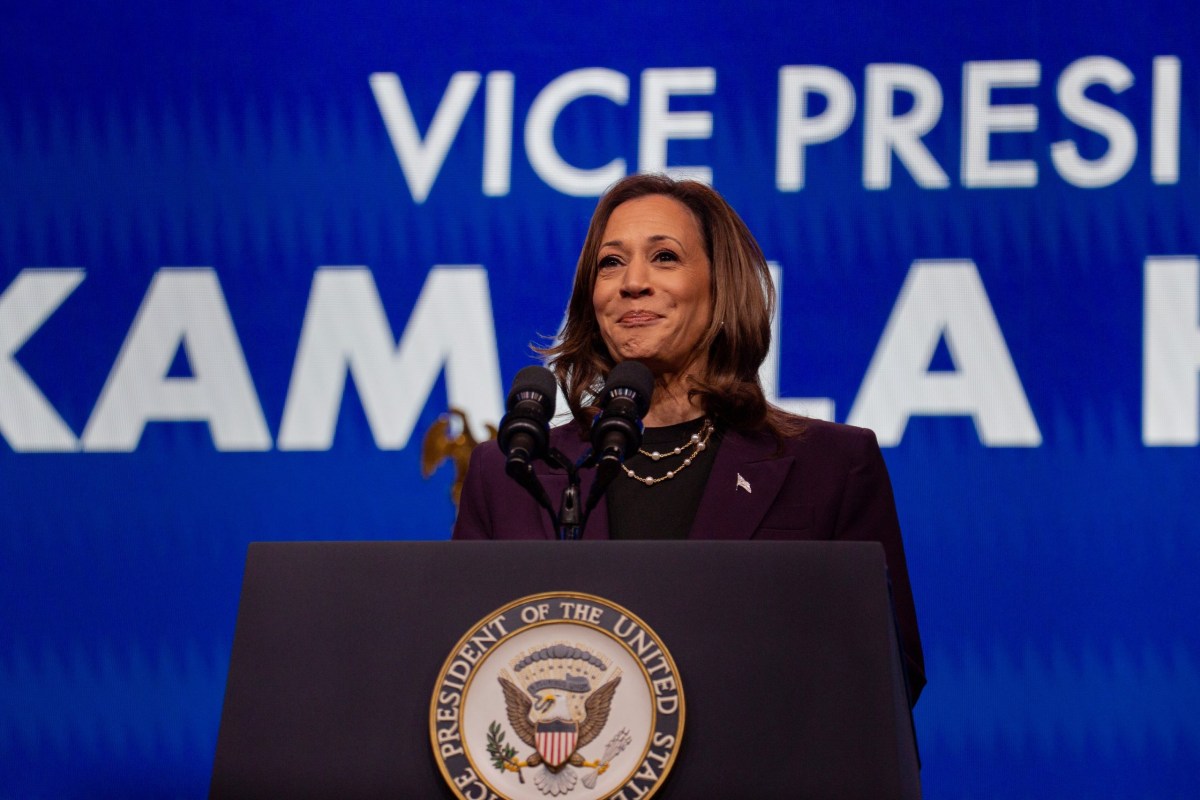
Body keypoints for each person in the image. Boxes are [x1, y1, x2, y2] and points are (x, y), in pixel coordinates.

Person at [452, 174, 924, 703]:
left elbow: (886, 675)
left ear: (721, 285)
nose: (633, 282)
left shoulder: (831, 465)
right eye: (611, 263)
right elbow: (465, 670)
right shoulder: (511, 472)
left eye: (665, 258)